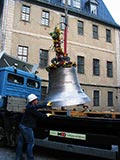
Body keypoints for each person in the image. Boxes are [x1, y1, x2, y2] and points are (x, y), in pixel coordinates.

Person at [15, 94, 52, 160]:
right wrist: (47, 115)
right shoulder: (31, 108)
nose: (37, 101)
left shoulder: (29, 106)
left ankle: (18, 157)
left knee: (20, 142)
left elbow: (37, 106)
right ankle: (30, 158)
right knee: (30, 143)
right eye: (36, 100)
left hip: (22, 126)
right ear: (33, 101)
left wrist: (46, 105)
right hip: (27, 127)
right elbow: (39, 115)